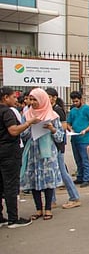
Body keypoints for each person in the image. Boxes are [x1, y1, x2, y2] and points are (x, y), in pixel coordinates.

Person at [21, 88, 64, 221]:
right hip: (33, 152)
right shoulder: (27, 115)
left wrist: (52, 129)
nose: (33, 102)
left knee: (48, 181)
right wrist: (29, 124)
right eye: (31, 99)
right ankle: (38, 209)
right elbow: (22, 135)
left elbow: (60, 137)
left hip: (48, 153)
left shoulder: (53, 115)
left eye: (36, 99)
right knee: (34, 180)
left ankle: (48, 208)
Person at [0, 87, 39, 228]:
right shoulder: (7, 112)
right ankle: (13, 218)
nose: (16, 100)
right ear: (5, 98)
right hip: (9, 153)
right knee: (10, 185)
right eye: (13, 97)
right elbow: (13, 130)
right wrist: (28, 123)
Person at [45, 88, 81, 209]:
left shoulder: (58, 110)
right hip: (50, 145)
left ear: (54, 98)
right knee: (52, 172)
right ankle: (52, 200)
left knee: (61, 171)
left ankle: (74, 197)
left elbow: (63, 127)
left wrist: (51, 127)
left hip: (57, 145)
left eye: (48, 96)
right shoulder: (48, 109)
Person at [67, 91, 89, 187]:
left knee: (85, 159)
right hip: (75, 138)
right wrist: (70, 129)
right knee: (78, 159)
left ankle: (87, 179)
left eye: (76, 101)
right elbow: (68, 123)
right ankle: (80, 176)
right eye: (73, 101)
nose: (75, 103)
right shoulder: (73, 111)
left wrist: (86, 130)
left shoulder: (87, 109)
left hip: (84, 139)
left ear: (81, 100)